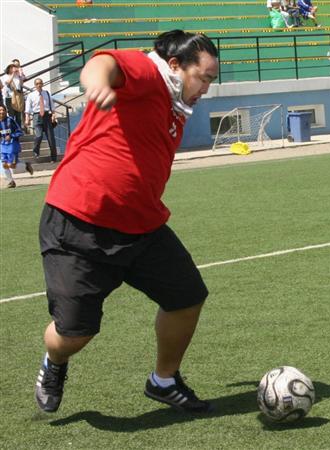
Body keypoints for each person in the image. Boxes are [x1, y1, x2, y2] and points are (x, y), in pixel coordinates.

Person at [34, 29, 219, 414]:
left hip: (143, 226)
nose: (206, 88)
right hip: (80, 222)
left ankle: (163, 381)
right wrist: (98, 84)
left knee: (187, 298)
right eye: (204, 77)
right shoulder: (148, 72)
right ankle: (55, 362)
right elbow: (104, 63)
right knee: (73, 335)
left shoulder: (174, 102)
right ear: (175, 66)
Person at [25, 78, 57, 162]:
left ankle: (54, 157)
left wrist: (53, 114)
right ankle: (36, 152)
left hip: (47, 116)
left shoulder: (46, 93)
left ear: (42, 84)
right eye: (37, 84)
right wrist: (27, 118)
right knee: (38, 136)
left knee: (51, 138)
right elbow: (27, 108)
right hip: (37, 116)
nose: (39, 85)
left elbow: (52, 105)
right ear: (35, 85)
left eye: (40, 83)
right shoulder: (31, 95)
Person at [0, 105, 33, 188]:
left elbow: (20, 132)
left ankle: (26, 165)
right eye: (0, 110)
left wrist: (11, 136)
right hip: (3, 146)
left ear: (6, 111)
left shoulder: (10, 120)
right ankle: (11, 182)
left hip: (12, 145)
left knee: (12, 165)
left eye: (3, 110)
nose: (2, 112)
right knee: (4, 164)